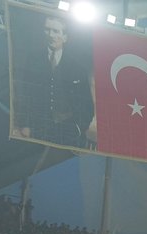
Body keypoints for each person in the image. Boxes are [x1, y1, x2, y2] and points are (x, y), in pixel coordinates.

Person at [12, 14, 94, 148]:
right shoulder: (33, 60)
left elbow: (87, 104)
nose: (51, 35)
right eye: (47, 30)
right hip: (38, 128)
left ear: (65, 37)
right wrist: (25, 124)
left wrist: (78, 127)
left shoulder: (77, 67)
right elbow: (25, 94)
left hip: (68, 130)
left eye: (56, 31)